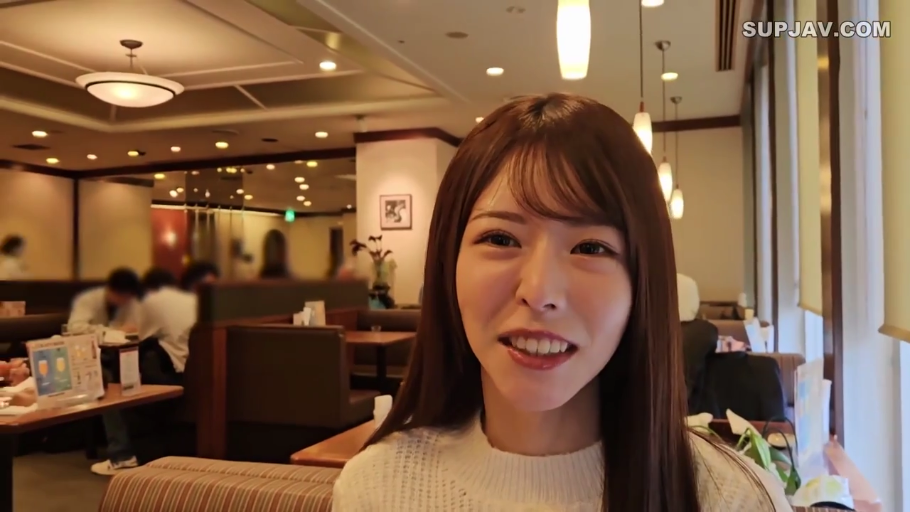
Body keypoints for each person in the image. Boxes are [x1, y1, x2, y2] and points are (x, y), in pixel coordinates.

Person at [331, 94, 790, 511]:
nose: (539, 292)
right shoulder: (377, 490)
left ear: (641, 283)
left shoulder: (731, 499)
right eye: (501, 238)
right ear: (447, 263)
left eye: (590, 248)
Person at [91, 261, 220, 476]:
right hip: (202, 376)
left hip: (176, 379)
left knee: (109, 381)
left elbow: (135, 336)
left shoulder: (153, 302)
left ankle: (122, 455)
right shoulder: (193, 300)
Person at [67, 268, 142, 335]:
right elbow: (74, 327)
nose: (125, 300)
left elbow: (136, 326)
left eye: (129, 297)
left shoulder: (132, 301)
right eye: (122, 296)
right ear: (109, 289)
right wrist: (113, 331)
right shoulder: (88, 299)